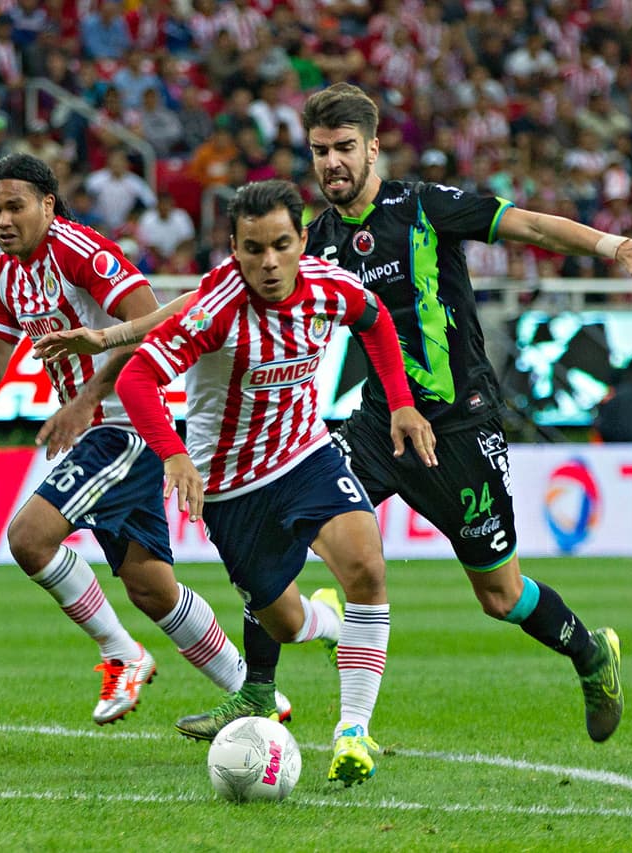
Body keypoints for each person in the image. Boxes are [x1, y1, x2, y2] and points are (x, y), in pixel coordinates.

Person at [299, 83, 632, 742]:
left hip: (459, 426)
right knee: (296, 516)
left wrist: (615, 248)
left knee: (500, 596)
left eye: (344, 147)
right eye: (320, 151)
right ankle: (274, 678)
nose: (332, 162)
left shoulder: (423, 207)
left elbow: (532, 226)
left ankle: (590, 652)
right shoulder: (316, 241)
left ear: (372, 149)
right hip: (380, 421)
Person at [0, 153, 291, 727]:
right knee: (151, 589)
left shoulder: (79, 250)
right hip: (96, 430)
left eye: (15, 207)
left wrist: (86, 399)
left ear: (48, 205)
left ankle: (123, 653)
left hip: (125, 426)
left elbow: (151, 324)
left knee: (28, 538)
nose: (2, 220)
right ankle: (259, 697)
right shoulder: (6, 276)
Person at [105, 180, 435, 785]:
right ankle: (325, 622)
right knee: (284, 623)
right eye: (253, 249)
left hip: (306, 455)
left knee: (367, 566)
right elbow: (137, 380)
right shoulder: (215, 310)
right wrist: (174, 455)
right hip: (231, 487)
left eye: (281, 244)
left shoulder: (329, 285)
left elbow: (375, 319)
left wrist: (401, 402)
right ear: (234, 248)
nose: (269, 262)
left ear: (302, 240)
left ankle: (353, 731)